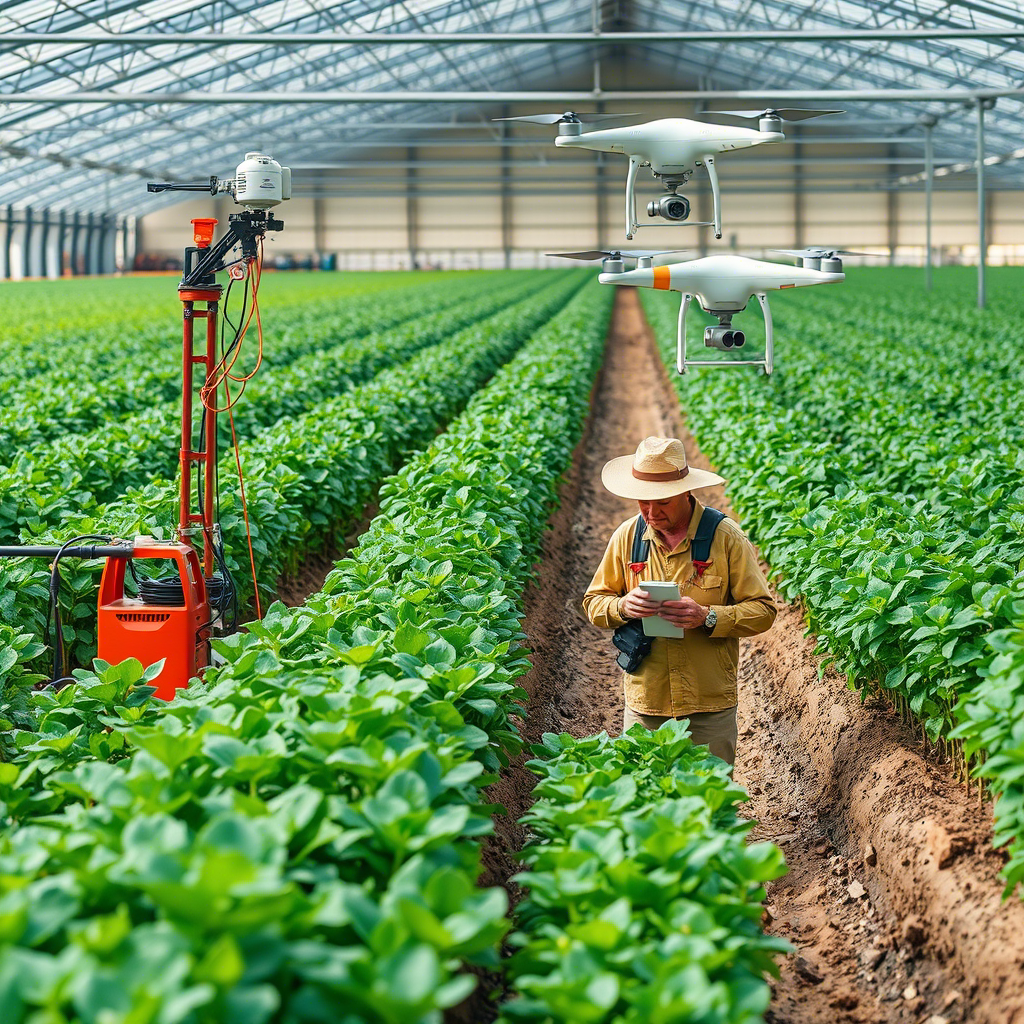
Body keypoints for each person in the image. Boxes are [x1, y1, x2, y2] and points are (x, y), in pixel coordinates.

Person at [582, 436, 777, 765]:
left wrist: (707, 617)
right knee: (645, 804)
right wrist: (622, 607)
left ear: (686, 492)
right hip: (648, 704)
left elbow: (763, 611)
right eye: (643, 501)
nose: (650, 512)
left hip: (708, 706)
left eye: (662, 503)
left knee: (710, 808)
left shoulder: (726, 538)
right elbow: (594, 603)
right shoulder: (628, 537)